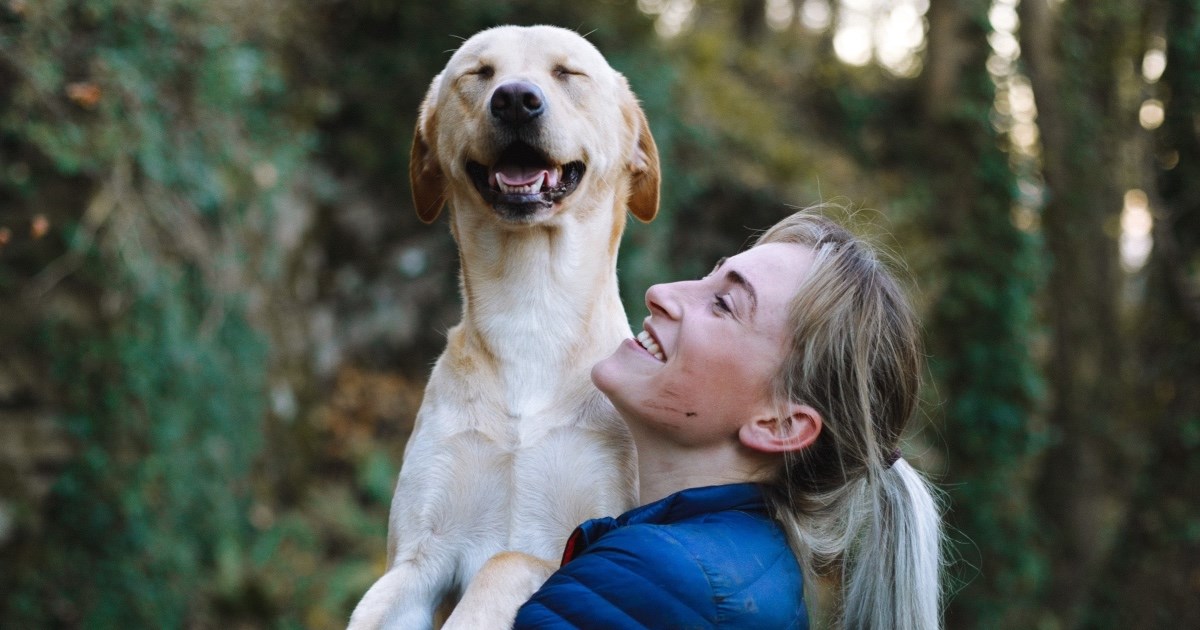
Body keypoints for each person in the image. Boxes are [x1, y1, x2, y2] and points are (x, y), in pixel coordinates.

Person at [511, 210, 944, 629]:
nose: (660, 292)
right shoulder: (740, 569)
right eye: (708, 275)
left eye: (722, 304)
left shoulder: (660, 577)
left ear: (780, 425)